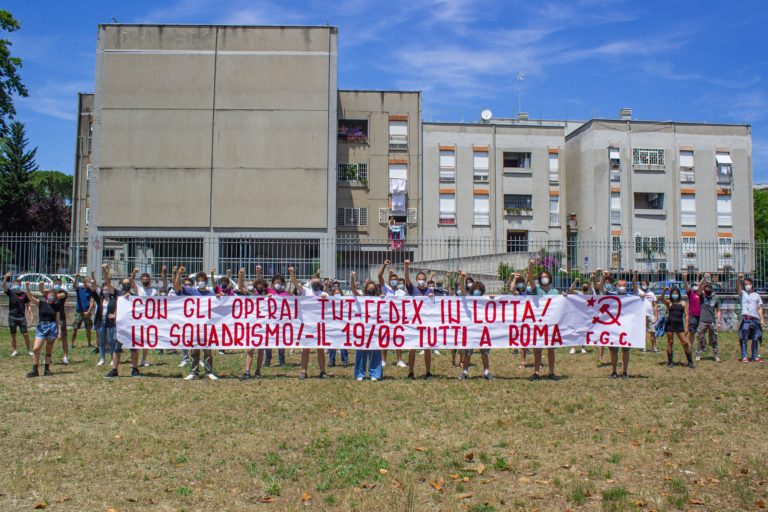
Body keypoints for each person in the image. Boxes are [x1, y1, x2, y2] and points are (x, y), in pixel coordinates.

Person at [174, 266, 218, 380]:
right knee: (194, 350)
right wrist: (179, 274)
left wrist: (219, 298)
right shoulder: (191, 291)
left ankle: (209, 372)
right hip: (194, 326)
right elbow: (177, 287)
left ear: (205, 282)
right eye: (199, 280)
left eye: (202, 280)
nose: (201, 282)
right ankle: (194, 373)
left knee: (208, 350)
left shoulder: (210, 294)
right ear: (197, 282)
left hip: (207, 326)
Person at [289, 266, 329, 379]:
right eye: (314, 281)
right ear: (310, 282)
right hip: (306, 325)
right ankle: (303, 371)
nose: (315, 283)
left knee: (320, 349)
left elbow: (332, 307)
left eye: (317, 281)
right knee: (305, 349)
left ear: (320, 283)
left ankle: (322, 371)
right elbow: (296, 284)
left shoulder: (324, 294)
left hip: (319, 325)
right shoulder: (305, 291)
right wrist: (292, 274)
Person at [104, 265, 142, 378]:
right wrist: (104, 271)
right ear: (121, 285)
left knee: (134, 348)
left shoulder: (135, 296)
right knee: (117, 348)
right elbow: (107, 282)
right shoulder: (117, 293)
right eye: (124, 283)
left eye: (128, 283)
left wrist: (133, 275)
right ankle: (114, 370)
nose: (126, 285)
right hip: (120, 326)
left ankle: (135, 369)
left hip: (131, 325)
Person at [528, 260, 560, 381]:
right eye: (542, 277)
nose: (544, 279)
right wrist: (531, 267)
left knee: (551, 349)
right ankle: (536, 372)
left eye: (546, 277)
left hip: (551, 323)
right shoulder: (537, 290)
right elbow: (530, 279)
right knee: (537, 349)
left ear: (550, 279)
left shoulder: (555, 292)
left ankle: (551, 372)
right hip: (539, 323)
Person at [350, 272, 383, 381]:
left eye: (373, 288)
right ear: (366, 289)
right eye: (369, 287)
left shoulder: (379, 299)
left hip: (375, 329)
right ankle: (360, 374)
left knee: (375, 352)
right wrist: (352, 277)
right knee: (361, 352)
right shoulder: (361, 298)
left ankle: (374, 374)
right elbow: (353, 289)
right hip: (362, 329)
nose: (371, 289)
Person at [459, 272, 492, 380]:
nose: (477, 291)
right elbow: (462, 290)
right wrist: (462, 279)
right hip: (471, 329)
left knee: (484, 352)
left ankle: (486, 371)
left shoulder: (485, 300)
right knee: (468, 352)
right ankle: (464, 372)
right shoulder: (468, 298)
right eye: (475, 289)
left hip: (482, 329)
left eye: (479, 289)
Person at [404, 262, 434, 379]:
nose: (421, 281)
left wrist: (432, 299)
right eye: (419, 279)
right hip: (414, 323)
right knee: (413, 348)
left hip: (426, 323)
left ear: (425, 280)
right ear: (416, 280)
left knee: (427, 349)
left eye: (423, 279)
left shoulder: (430, 291)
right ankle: (411, 372)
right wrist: (406, 266)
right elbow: (407, 279)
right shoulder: (412, 290)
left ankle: (428, 372)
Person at [24, 282, 60, 377]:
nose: (52, 296)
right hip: (41, 327)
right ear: (47, 295)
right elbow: (30, 297)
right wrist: (27, 288)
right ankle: (35, 369)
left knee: (48, 349)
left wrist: (59, 332)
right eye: (51, 295)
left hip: (52, 327)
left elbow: (58, 320)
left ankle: (47, 369)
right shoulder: (41, 303)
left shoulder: (56, 306)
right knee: (36, 348)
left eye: (54, 295)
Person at [377, 259, 407, 368]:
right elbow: (379, 276)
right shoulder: (386, 289)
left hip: (398, 318)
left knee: (398, 338)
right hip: (386, 317)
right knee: (384, 338)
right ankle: (383, 360)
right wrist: (384, 265)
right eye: (392, 279)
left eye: (395, 280)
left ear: (398, 281)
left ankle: (399, 360)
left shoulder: (402, 292)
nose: (394, 281)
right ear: (389, 281)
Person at [603, 275, 632, 379]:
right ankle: (614, 371)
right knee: (613, 350)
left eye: (624, 286)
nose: (622, 287)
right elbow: (601, 288)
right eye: (620, 285)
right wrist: (604, 277)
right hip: (614, 328)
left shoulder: (631, 298)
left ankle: (625, 372)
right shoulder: (612, 295)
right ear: (616, 287)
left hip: (626, 328)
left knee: (625, 350)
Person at [129, 268, 158, 366]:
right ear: (141, 280)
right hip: (139, 318)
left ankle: (144, 360)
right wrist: (133, 273)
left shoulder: (154, 291)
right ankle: (135, 360)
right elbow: (131, 282)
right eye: (143, 279)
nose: (145, 281)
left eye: (147, 279)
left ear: (150, 280)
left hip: (150, 318)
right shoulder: (139, 289)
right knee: (137, 338)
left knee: (146, 339)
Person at [660, 286, 693, 368]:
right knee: (670, 342)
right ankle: (670, 361)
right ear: (671, 295)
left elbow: (686, 315)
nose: (675, 295)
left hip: (679, 325)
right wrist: (664, 290)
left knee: (685, 343)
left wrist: (686, 327)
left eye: (676, 293)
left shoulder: (683, 303)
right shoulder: (670, 303)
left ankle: (690, 361)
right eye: (673, 294)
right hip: (670, 324)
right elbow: (662, 298)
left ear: (679, 294)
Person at [736, 274, 764, 363]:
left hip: (755, 319)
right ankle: (744, 356)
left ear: (752, 284)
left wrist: (762, 319)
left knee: (755, 338)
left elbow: (759, 308)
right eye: (745, 284)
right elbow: (738, 288)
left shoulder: (756, 295)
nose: (747, 285)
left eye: (748, 284)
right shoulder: (743, 293)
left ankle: (755, 356)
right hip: (746, 319)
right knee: (744, 338)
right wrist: (739, 279)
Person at [3, 273, 32, 357]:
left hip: (21, 317)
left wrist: (31, 315)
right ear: (12, 285)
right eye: (16, 284)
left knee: (25, 334)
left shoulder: (24, 294)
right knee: (13, 334)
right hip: (12, 316)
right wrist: (5, 277)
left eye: (19, 284)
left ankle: (29, 350)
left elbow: (28, 305)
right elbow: (4, 286)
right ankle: (15, 350)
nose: (17, 285)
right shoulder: (10, 292)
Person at [94, 275, 118, 369]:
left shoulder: (114, 300)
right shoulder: (99, 300)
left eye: (107, 290)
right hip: (101, 322)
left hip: (110, 322)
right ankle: (102, 359)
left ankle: (112, 359)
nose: (105, 292)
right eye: (104, 290)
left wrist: (114, 315)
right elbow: (94, 289)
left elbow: (117, 308)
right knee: (102, 341)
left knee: (112, 341)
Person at [696, 276, 720, 362]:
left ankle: (716, 354)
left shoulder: (715, 297)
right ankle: (698, 354)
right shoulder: (702, 296)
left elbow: (718, 310)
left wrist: (719, 321)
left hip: (712, 321)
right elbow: (698, 288)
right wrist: (703, 279)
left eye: (709, 287)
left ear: (712, 288)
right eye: (706, 287)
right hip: (703, 321)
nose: (707, 288)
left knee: (714, 338)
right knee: (700, 337)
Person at [327, 280, 349, 368]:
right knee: (332, 343)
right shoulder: (329, 303)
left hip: (342, 325)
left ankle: (345, 361)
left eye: (338, 293)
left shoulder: (345, 303)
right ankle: (331, 360)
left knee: (343, 343)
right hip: (332, 325)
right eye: (335, 293)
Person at [71, 273, 95, 351]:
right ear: (84, 282)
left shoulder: (90, 291)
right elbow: (74, 286)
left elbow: (92, 302)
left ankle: (89, 343)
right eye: (88, 282)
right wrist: (76, 278)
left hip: (87, 312)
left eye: (89, 282)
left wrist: (88, 312)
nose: (89, 283)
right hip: (79, 312)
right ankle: (71, 344)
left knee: (88, 329)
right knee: (75, 328)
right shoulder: (79, 289)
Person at [635, 276, 659, 352]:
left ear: (648, 285)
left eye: (645, 284)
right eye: (642, 284)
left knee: (652, 332)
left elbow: (655, 305)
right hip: (641, 315)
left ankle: (654, 347)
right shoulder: (638, 291)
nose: (644, 285)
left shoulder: (651, 293)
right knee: (642, 332)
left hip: (650, 315)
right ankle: (643, 347)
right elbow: (633, 284)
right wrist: (635, 275)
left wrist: (656, 315)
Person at [566, 277, 589, 355]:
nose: (585, 287)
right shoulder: (579, 293)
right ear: (582, 287)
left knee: (583, 332)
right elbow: (571, 290)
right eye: (584, 286)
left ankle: (583, 347)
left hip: (585, 316)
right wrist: (575, 281)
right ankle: (572, 347)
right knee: (573, 330)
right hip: (576, 315)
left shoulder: (590, 294)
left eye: (587, 286)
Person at [51, 276, 69, 364]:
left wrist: (50, 295)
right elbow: (43, 292)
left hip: (61, 317)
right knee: (50, 338)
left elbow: (58, 296)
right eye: (56, 283)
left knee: (63, 337)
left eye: (59, 283)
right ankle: (48, 356)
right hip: (51, 317)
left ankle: (65, 356)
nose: (57, 285)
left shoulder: (63, 292)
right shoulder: (50, 292)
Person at [683, 271, 702, 345]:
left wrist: (698, 276)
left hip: (700, 316)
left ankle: (700, 347)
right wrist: (685, 278)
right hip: (693, 315)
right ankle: (689, 346)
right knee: (692, 332)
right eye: (694, 285)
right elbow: (686, 286)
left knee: (700, 333)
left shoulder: (700, 294)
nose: (695, 286)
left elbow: (699, 284)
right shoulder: (691, 293)